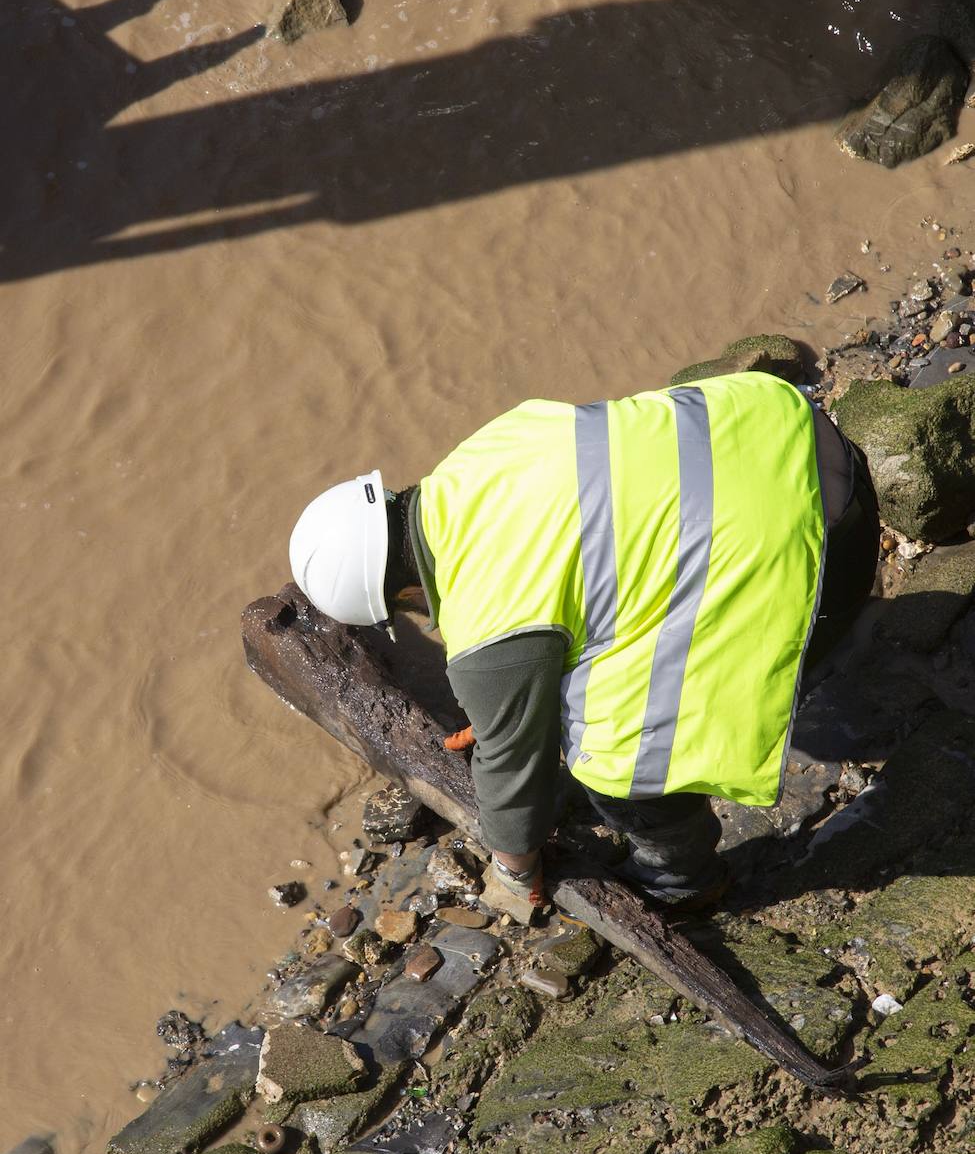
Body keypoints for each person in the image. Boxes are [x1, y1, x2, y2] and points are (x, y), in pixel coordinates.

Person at [288, 371, 879, 910]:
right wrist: (506, 702)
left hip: (821, 555)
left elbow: (513, 773)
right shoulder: (483, 453)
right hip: (805, 439)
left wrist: (513, 871)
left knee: (615, 761)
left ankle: (683, 882)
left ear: (402, 595)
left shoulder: (482, 615)